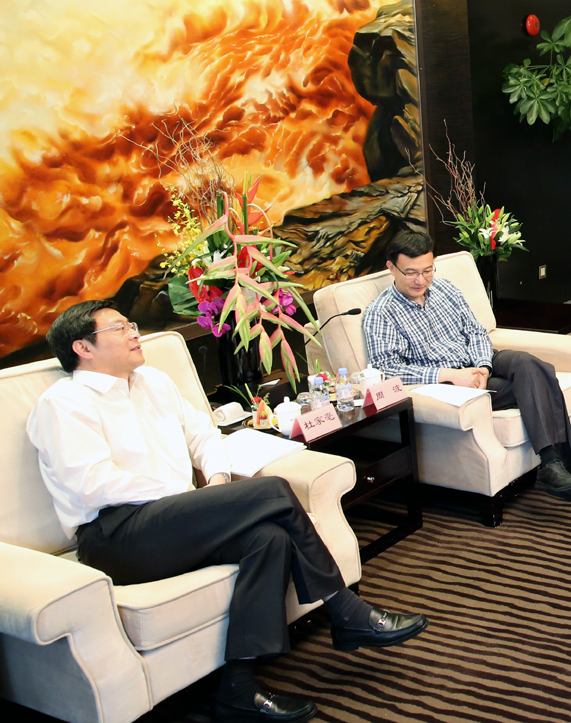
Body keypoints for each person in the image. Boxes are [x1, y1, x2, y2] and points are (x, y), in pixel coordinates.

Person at [27, 301, 429, 723]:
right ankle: (344, 608)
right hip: (115, 536)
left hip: (174, 517)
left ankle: (237, 686)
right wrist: (189, 497)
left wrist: (217, 482)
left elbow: (203, 434)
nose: (133, 333)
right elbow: (93, 484)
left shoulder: (152, 381)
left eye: (131, 324)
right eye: (118, 328)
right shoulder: (64, 404)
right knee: (273, 491)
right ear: (83, 348)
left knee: (269, 538)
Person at [362, 231, 571, 504]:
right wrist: (451, 375)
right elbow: (387, 368)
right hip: (447, 382)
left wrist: (483, 367)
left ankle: (554, 470)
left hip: (480, 361)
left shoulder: (445, 289)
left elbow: (476, 332)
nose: (421, 280)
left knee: (530, 364)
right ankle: (557, 466)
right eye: (411, 273)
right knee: (540, 380)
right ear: (391, 267)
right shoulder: (381, 313)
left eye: (427, 270)